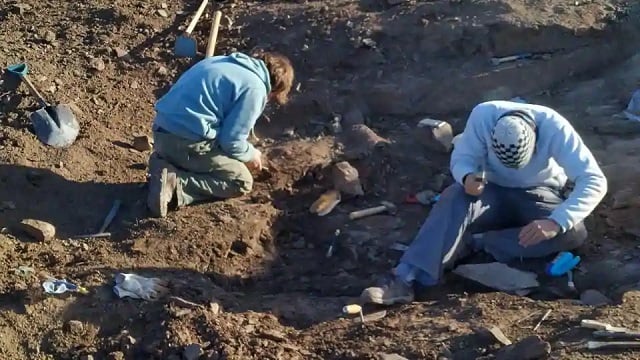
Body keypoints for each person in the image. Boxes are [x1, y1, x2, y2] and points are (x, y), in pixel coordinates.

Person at [360, 100, 608, 305]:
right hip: (491, 192)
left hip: (539, 194)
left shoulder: (554, 127)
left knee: (573, 232)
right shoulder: (483, 116)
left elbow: (594, 179)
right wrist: (467, 176)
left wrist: (556, 222)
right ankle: (406, 278)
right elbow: (463, 157)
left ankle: (479, 243)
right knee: (453, 196)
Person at [146, 51, 294, 217]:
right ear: (274, 90)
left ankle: (163, 163)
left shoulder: (222, 61)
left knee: (218, 152)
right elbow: (231, 141)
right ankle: (176, 185)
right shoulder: (256, 88)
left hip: (161, 133)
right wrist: (251, 155)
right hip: (185, 142)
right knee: (241, 181)